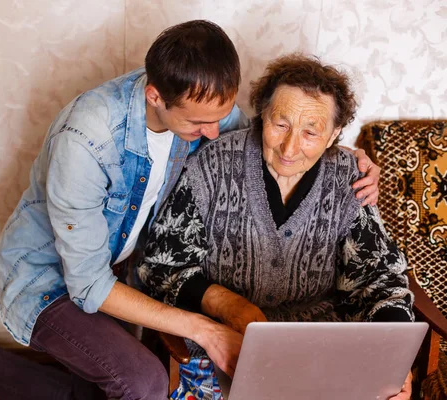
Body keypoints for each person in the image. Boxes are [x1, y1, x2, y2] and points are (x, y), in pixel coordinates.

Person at [0, 22, 380, 400]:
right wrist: (207, 330)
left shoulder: (204, 108)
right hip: (51, 280)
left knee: (112, 385)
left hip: (121, 272)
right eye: (199, 124)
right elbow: (88, 285)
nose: (216, 134)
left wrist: (349, 157)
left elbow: (278, 139)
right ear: (155, 96)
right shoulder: (86, 141)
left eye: (223, 116)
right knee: (144, 385)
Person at [138, 53, 414, 400]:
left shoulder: (349, 178)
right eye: (280, 124)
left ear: (334, 135)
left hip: (321, 349)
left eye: (311, 132)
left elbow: (378, 278)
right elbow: (161, 267)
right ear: (261, 115)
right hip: (221, 346)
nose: (289, 147)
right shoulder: (212, 165)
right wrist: (231, 308)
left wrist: (391, 359)